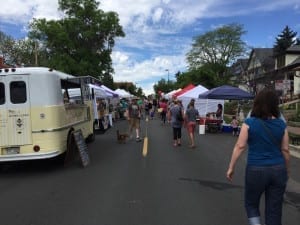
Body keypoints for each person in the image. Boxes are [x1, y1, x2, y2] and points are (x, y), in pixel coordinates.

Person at [226, 89, 290, 225]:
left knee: (251, 204)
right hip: (278, 169)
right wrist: (287, 170)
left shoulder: (249, 123)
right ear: (275, 105)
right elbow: (285, 150)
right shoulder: (281, 125)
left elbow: (240, 146)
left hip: (256, 169)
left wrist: (231, 167)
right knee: (274, 209)